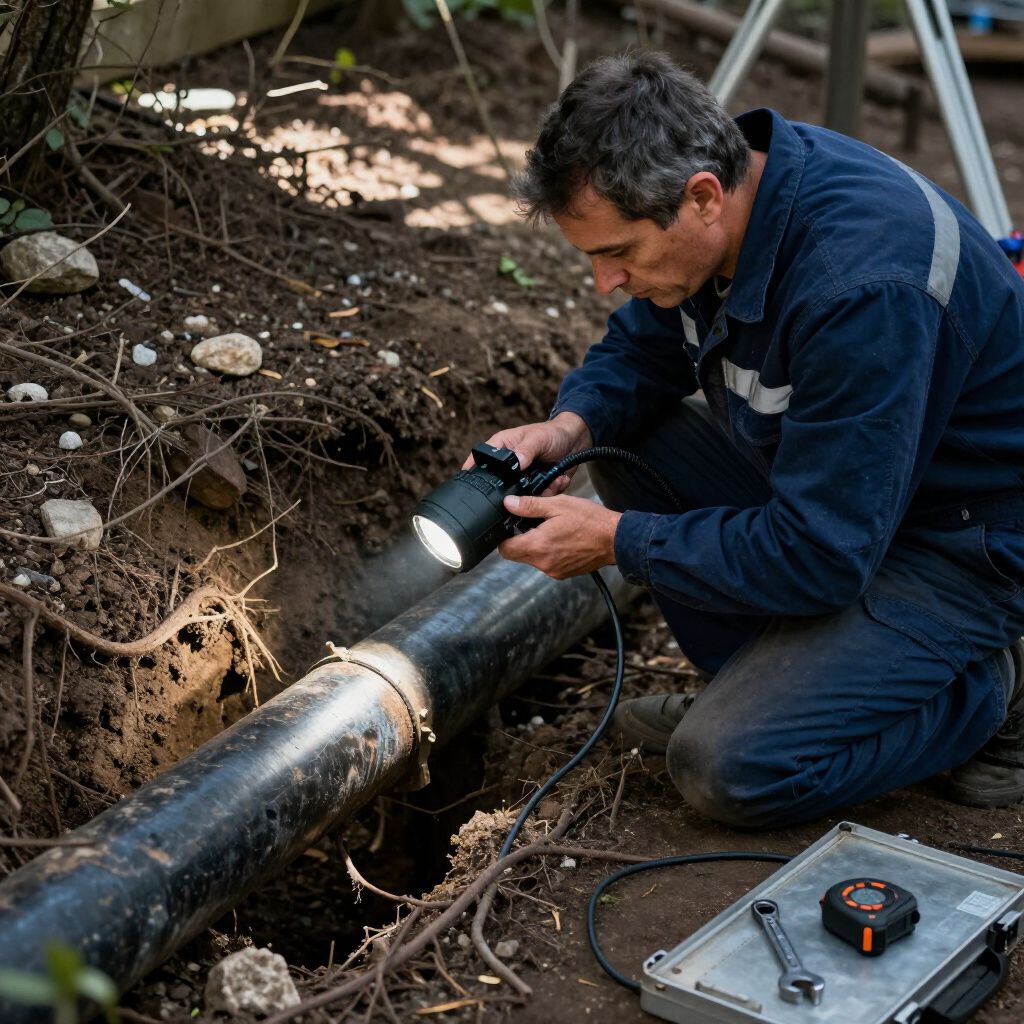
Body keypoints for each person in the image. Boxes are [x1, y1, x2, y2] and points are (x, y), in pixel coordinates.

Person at [476, 50, 1024, 828]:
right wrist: (569, 428)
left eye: (617, 253)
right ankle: (782, 686)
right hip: (857, 501)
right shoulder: (733, 197)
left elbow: (823, 554)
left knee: (725, 767)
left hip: (962, 546)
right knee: (630, 442)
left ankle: (989, 687)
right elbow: (642, 350)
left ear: (701, 197)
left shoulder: (859, 286)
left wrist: (619, 542)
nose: (604, 280)